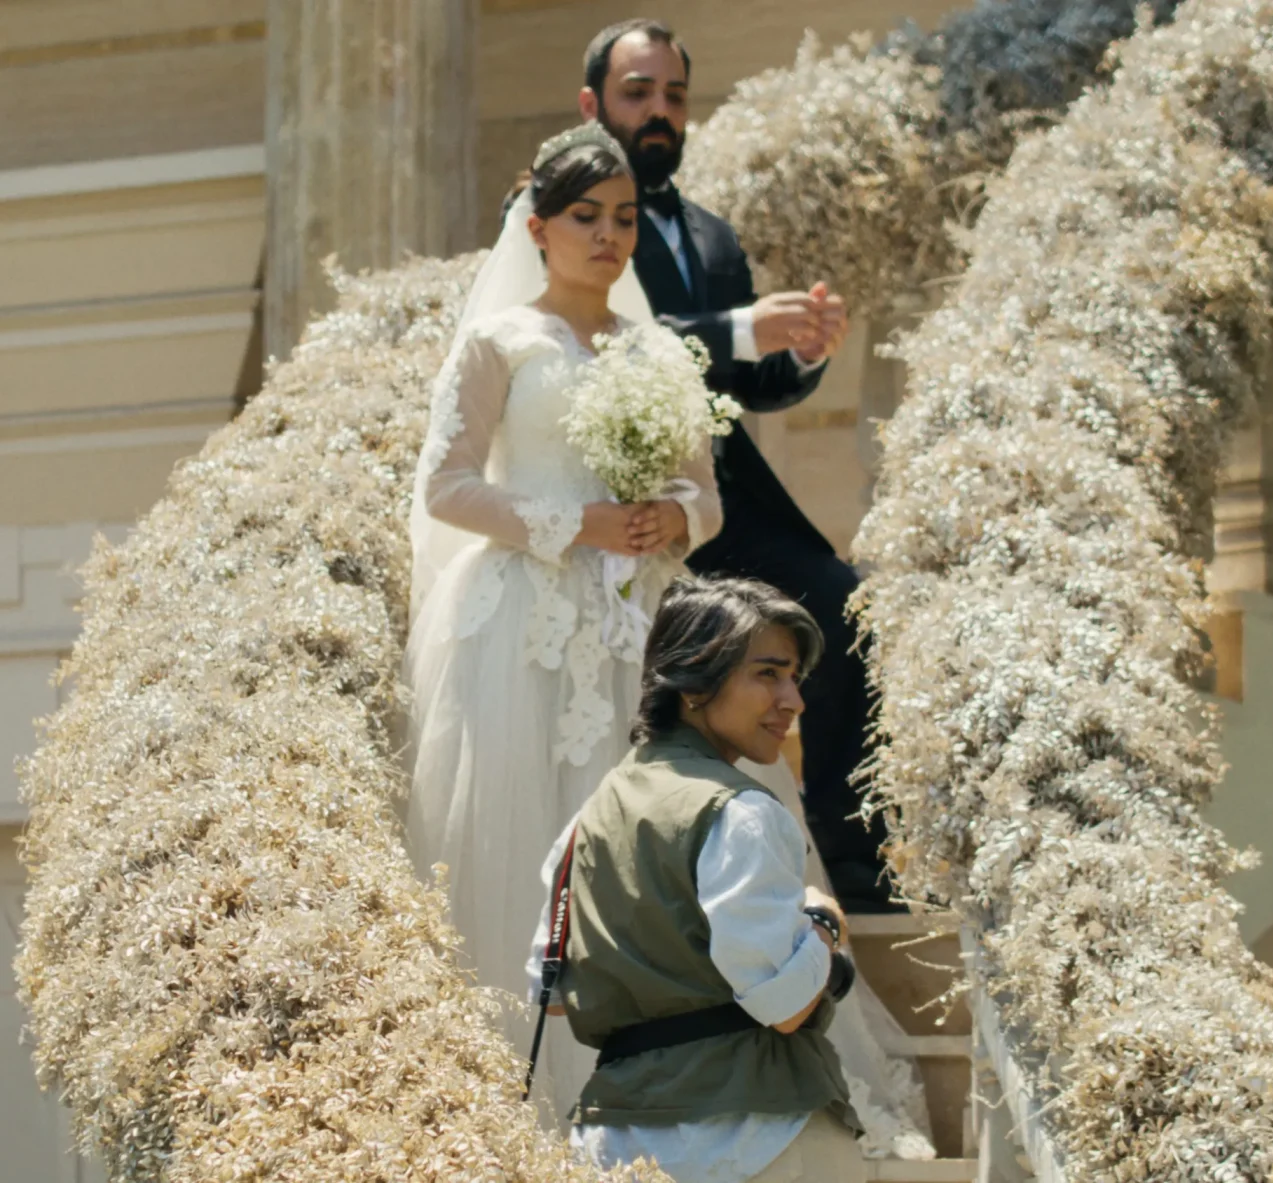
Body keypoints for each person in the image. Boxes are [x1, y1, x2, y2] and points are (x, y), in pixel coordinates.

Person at [403, 121, 722, 1116]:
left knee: (644, 829)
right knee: (521, 832)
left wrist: (671, 518)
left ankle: (660, 1076)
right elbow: (447, 488)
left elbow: (707, 496)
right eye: (586, 216)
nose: (608, 235)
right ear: (538, 226)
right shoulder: (500, 340)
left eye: (624, 217)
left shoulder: (661, 351)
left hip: (636, 623)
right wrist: (575, 522)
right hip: (520, 626)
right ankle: (512, 1090)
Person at [577, 19, 896, 914]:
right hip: (606, 494)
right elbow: (604, 333)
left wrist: (800, 351)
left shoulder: (711, 237)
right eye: (638, 93)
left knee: (842, 602)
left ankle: (854, 856)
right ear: (592, 104)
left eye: (674, 96)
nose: (659, 111)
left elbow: (751, 382)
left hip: (721, 499)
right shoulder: (566, 216)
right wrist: (741, 328)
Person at [526, 577, 865, 1183]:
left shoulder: (587, 822)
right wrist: (823, 923)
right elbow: (785, 1006)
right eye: (768, 674)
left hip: (615, 1148)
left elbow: (550, 993)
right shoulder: (741, 812)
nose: (793, 700)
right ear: (693, 684)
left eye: (794, 678)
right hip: (760, 1139)